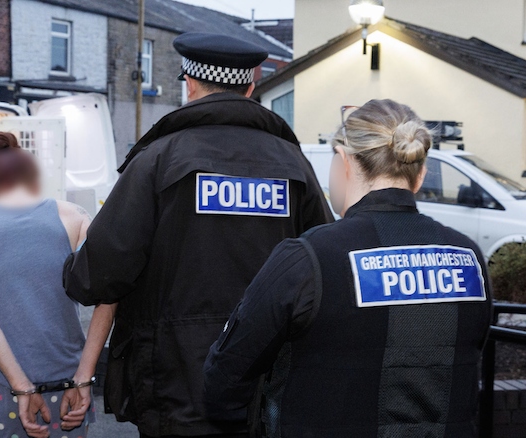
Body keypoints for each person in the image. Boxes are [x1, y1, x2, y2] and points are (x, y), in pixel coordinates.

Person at [62, 33, 334, 438]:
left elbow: (97, 274)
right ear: (252, 85)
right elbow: (323, 266)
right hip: (265, 378)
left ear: (190, 85)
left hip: (172, 382)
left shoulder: (157, 159)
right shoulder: (292, 164)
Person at [203, 99, 493, 437]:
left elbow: (224, 380)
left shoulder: (308, 259)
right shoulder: (467, 257)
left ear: (343, 161)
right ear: (421, 172)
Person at [0, 133, 116, 438]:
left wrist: (21, 386)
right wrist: (84, 377)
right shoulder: (76, 217)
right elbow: (109, 295)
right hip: (68, 389)